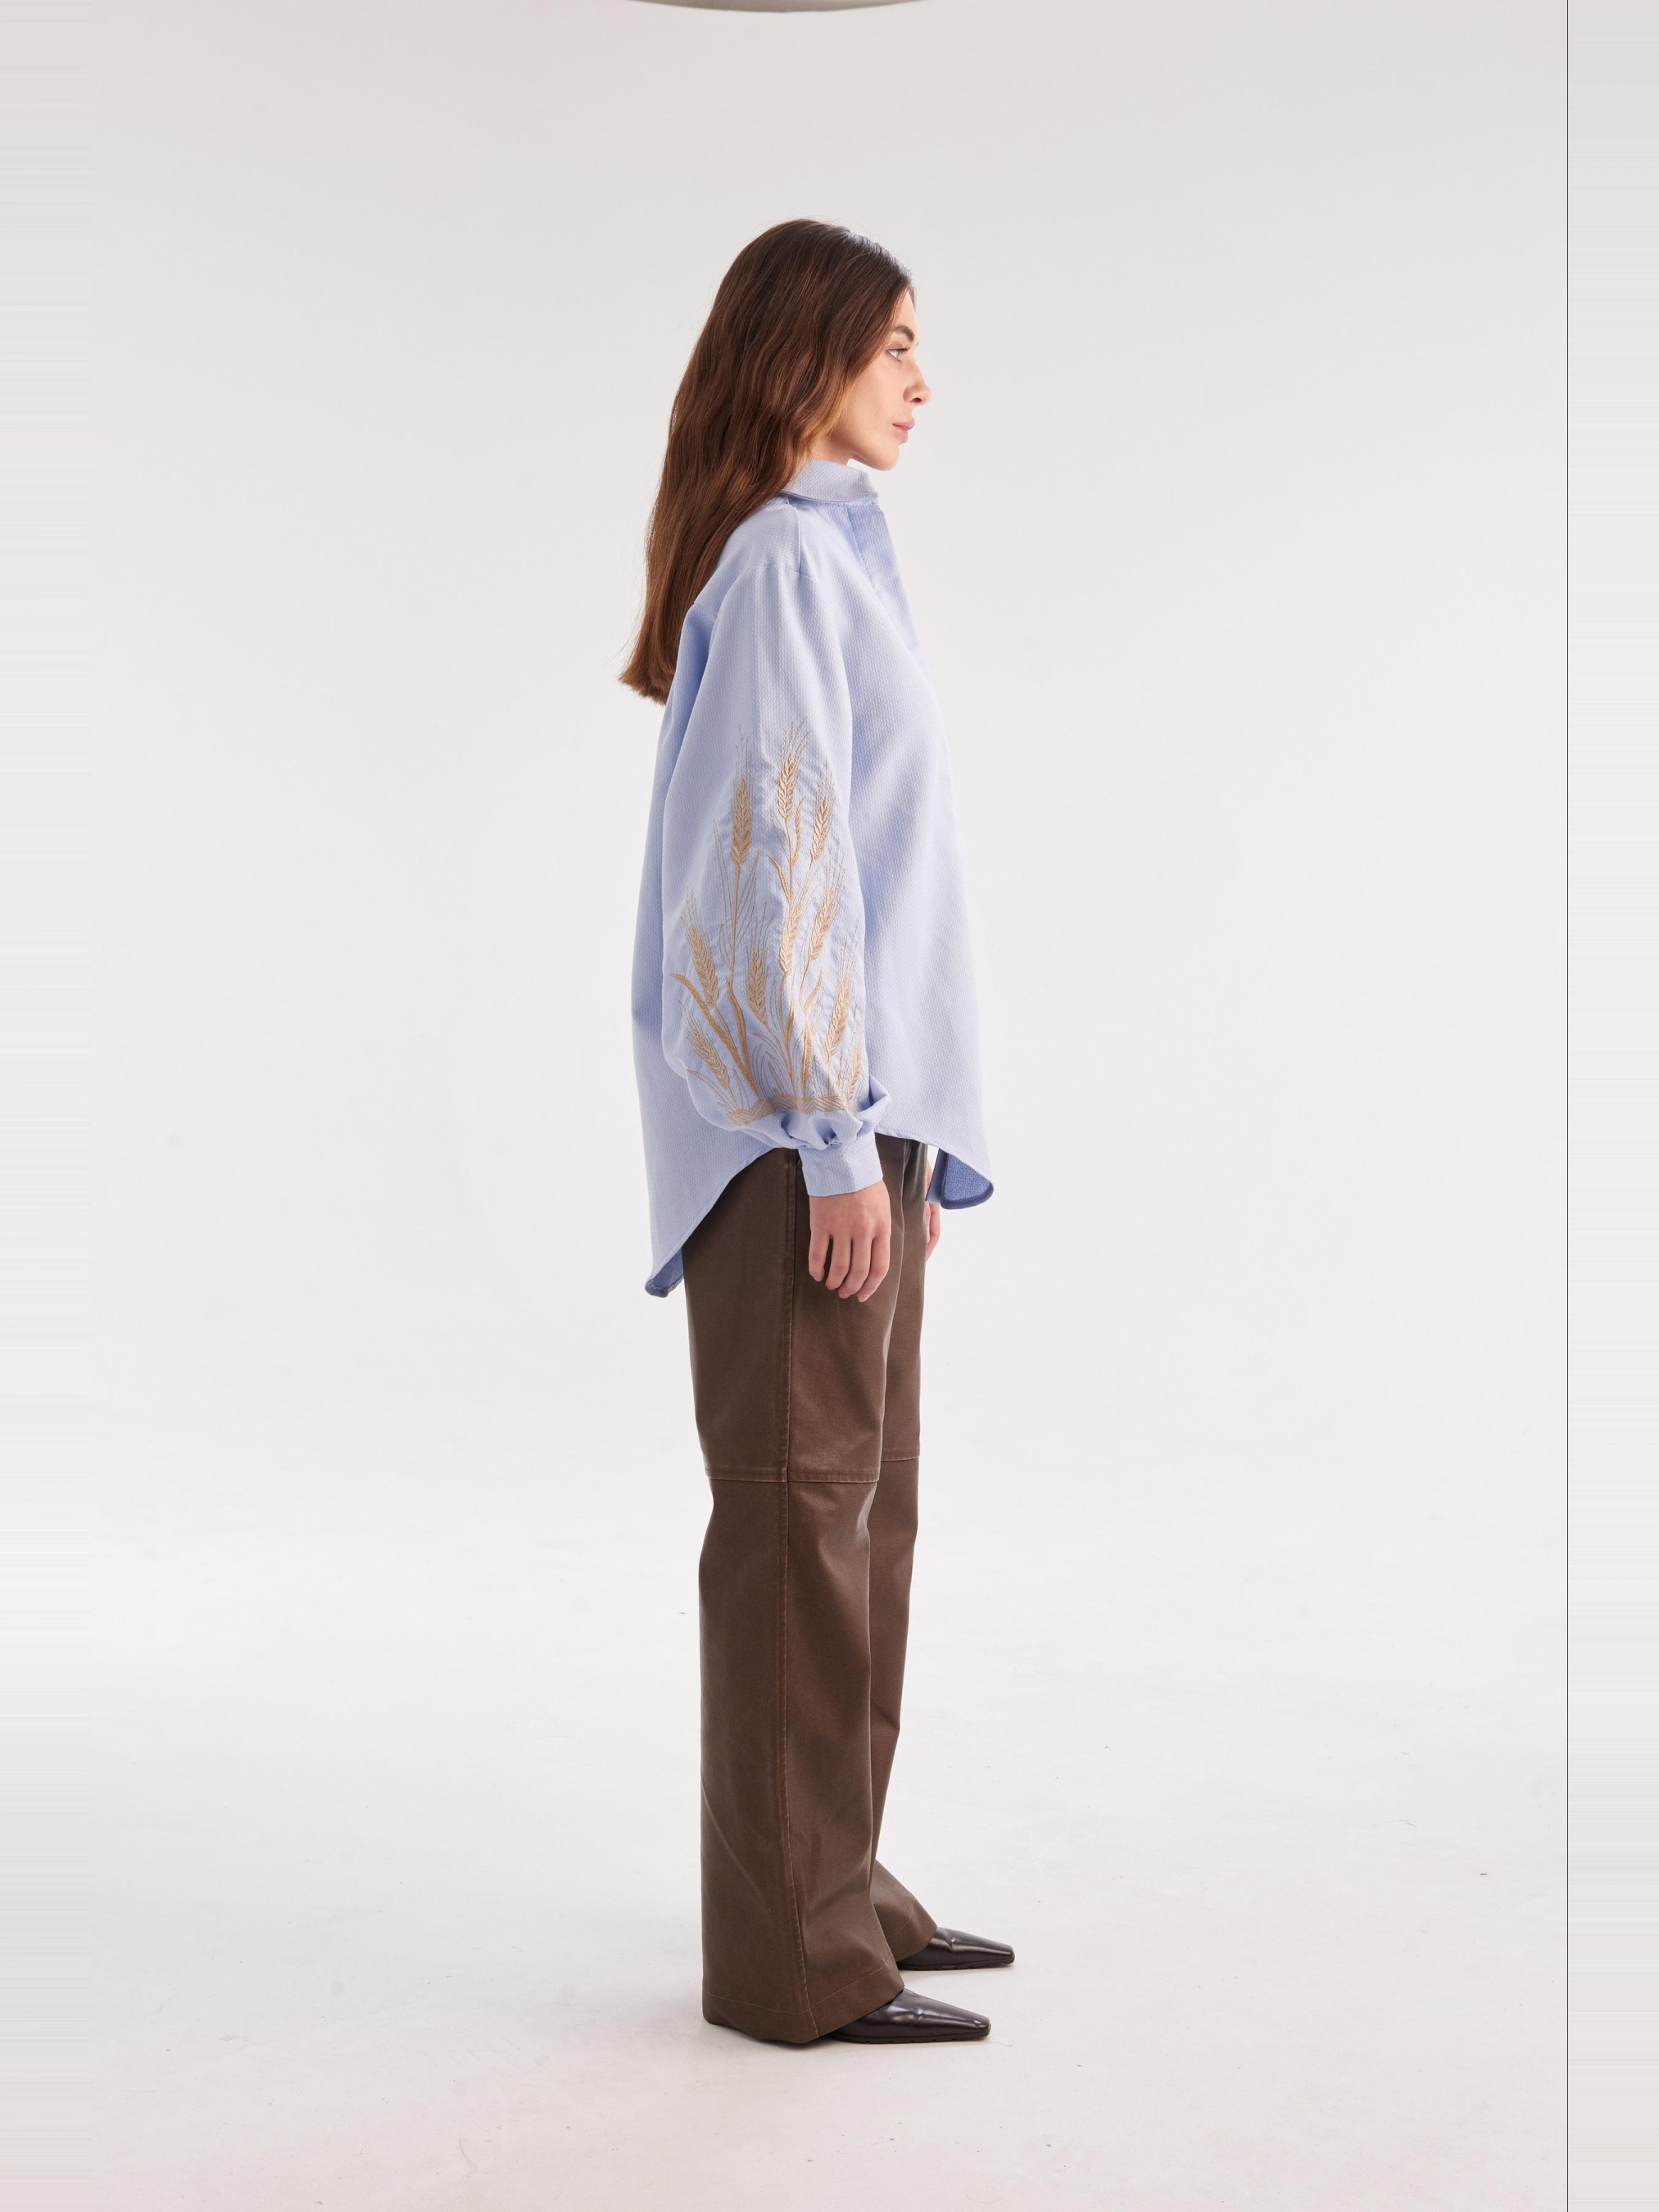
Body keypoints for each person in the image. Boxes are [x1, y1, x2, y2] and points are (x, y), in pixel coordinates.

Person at [623, 219, 1008, 2047]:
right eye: (895, 346)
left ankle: (835, 1878)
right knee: (797, 1525)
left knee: (863, 1516)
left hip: (862, 1123)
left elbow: (866, 863)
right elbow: (775, 857)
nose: (922, 381)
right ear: (811, 353)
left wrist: (899, 1137)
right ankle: (791, 1959)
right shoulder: (783, 560)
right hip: (803, 1138)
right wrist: (835, 1138)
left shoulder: (837, 552)